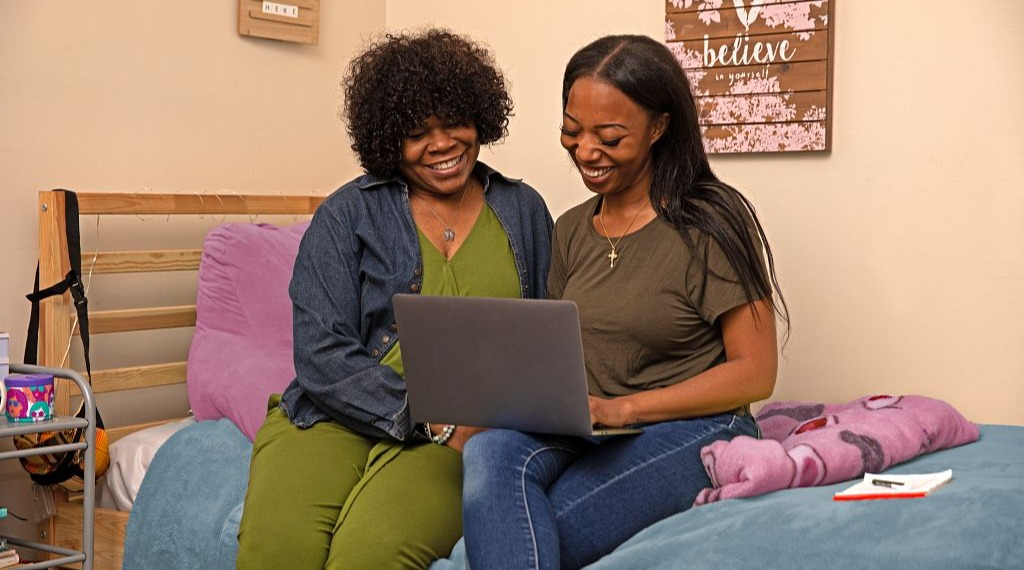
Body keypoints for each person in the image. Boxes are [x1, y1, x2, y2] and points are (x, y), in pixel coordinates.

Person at [460, 34, 790, 570]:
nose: (586, 151)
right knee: (488, 449)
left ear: (659, 127)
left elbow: (756, 373)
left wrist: (625, 408)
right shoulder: (570, 230)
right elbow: (557, 357)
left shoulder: (712, 220)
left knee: (544, 532)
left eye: (609, 137)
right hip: (590, 426)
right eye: (572, 131)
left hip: (692, 427)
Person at [236, 29, 553, 570]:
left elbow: (550, 339)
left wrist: (472, 424)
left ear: (480, 113)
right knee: (277, 553)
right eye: (416, 131)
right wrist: (425, 418)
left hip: (465, 431)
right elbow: (320, 352)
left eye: (454, 121)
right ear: (387, 138)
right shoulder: (346, 215)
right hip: (332, 416)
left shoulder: (523, 211)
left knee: (369, 555)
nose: (442, 143)